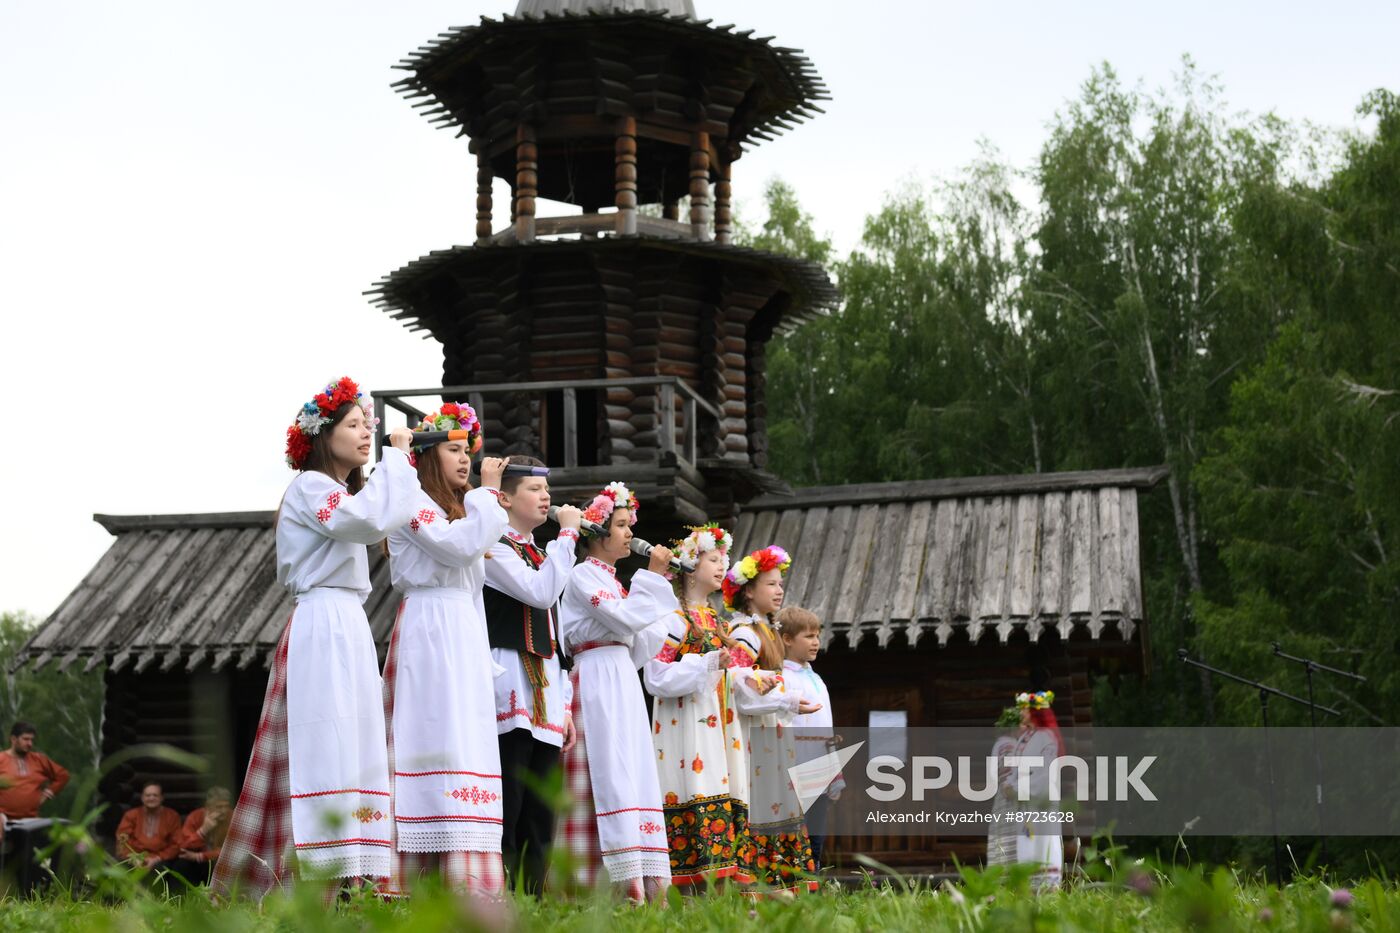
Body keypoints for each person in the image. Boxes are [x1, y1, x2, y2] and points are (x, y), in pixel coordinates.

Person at [214, 377, 422, 898]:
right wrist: (397, 460)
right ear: (322, 434)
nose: (366, 434)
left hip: (346, 620)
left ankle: (354, 870)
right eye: (354, 425)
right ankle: (320, 875)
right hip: (322, 619)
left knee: (356, 740)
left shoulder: (338, 492)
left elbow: (377, 516)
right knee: (325, 739)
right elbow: (370, 519)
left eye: (369, 426)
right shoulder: (311, 487)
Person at [382, 403, 510, 899]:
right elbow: (460, 548)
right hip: (429, 627)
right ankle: (414, 875)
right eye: (453, 450)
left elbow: (473, 579)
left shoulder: (456, 511)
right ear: (427, 456)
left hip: (460, 628)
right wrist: (488, 492)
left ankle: (468, 875)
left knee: (465, 738)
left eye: (467, 451)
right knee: (431, 734)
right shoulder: (412, 504)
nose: (464, 459)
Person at [553, 482, 679, 904]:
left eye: (629, 525)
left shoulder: (612, 580)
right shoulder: (583, 574)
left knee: (631, 770)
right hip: (595, 678)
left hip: (620, 676)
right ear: (597, 533)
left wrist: (659, 608)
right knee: (606, 770)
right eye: (621, 525)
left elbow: (638, 644)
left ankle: (642, 876)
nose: (629, 534)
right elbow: (623, 621)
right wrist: (654, 579)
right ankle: (607, 884)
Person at [481, 457, 582, 895]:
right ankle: (502, 899)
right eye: (534, 490)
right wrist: (569, 534)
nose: (546, 498)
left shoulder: (542, 553)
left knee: (542, 806)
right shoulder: (493, 547)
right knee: (511, 794)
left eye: (546, 490)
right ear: (503, 498)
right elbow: (540, 593)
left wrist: (565, 704)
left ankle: (534, 899)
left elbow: (555, 633)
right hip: (508, 679)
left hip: (544, 680)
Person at [643, 524, 750, 890]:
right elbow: (655, 676)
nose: (723, 566)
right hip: (686, 725)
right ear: (690, 564)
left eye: (725, 559)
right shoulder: (673, 620)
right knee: (692, 788)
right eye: (714, 558)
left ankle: (722, 891)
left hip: (719, 725)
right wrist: (706, 664)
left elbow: (732, 675)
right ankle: (687, 888)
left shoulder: (719, 623)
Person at [724, 546, 821, 895]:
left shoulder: (765, 630)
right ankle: (758, 884)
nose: (779, 590)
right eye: (770, 584)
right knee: (762, 806)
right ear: (749, 590)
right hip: (755, 735)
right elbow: (739, 691)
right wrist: (788, 701)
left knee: (777, 804)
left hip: (772, 732)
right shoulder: (745, 634)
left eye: (780, 584)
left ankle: (777, 883)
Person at [778, 607, 843, 870]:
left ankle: (812, 887)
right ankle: (794, 886)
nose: (816, 642)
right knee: (796, 833)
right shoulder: (784, 677)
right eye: (808, 636)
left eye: (817, 636)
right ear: (787, 639)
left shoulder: (815, 677)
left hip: (819, 763)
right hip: (797, 765)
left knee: (817, 834)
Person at [1001, 690, 1065, 890]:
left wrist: (1017, 787)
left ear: (1035, 712)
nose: (1021, 712)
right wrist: (1009, 783)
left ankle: (1049, 888)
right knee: (1027, 843)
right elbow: (1018, 767)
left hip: (1041, 803)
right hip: (1026, 803)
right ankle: (1029, 887)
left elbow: (1045, 774)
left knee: (1044, 843)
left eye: (1025, 709)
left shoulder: (1046, 738)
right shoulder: (1027, 736)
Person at [0, 721, 69, 894]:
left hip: (31, 818)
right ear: (13, 739)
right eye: (25, 739)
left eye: (31, 740)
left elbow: (62, 775)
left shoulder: (38, 759)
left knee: (46, 845)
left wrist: (48, 793)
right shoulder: (1, 759)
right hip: (3, 816)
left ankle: (38, 890)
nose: (29, 743)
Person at [160, 786, 233, 886]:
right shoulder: (196, 816)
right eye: (219, 807)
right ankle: (177, 899)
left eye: (226, 806)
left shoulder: (232, 817)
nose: (223, 810)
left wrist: (200, 856)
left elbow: (232, 850)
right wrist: (203, 830)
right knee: (180, 865)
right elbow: (183, 846)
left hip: (219, 861)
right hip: (196, 861)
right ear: (208, 806)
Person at [986, 706, 1021, 868]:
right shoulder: (1009, 745)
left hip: (1002, 798)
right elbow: (1008, 775)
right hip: (1009, 799)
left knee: (1002, 841)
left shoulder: (1000, 743)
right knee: (1010, 841)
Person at [116, 783, 182, 867]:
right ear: (142, 798)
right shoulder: (131, 815)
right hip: (133, 858)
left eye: (155, 795)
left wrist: (157, 858)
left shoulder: (172, 816)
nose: (151, 798)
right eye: (148, 795)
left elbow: (176, 844)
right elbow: (122, 839)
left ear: (161, 798)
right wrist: (134, 858)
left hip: (160, 860)